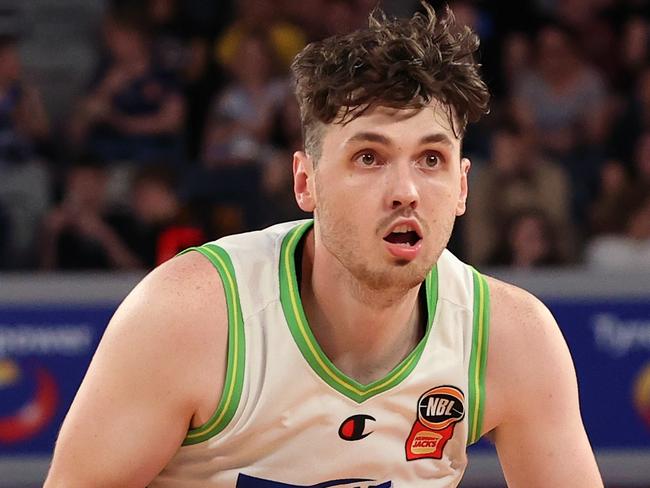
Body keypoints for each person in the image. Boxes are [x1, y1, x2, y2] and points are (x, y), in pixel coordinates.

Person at [45, 5, 603, 487]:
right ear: (305, 182)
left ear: (461, 187)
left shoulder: (511, 338)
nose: (405, 191)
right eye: (369, 157)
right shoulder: (192, 314)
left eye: (431, 159)